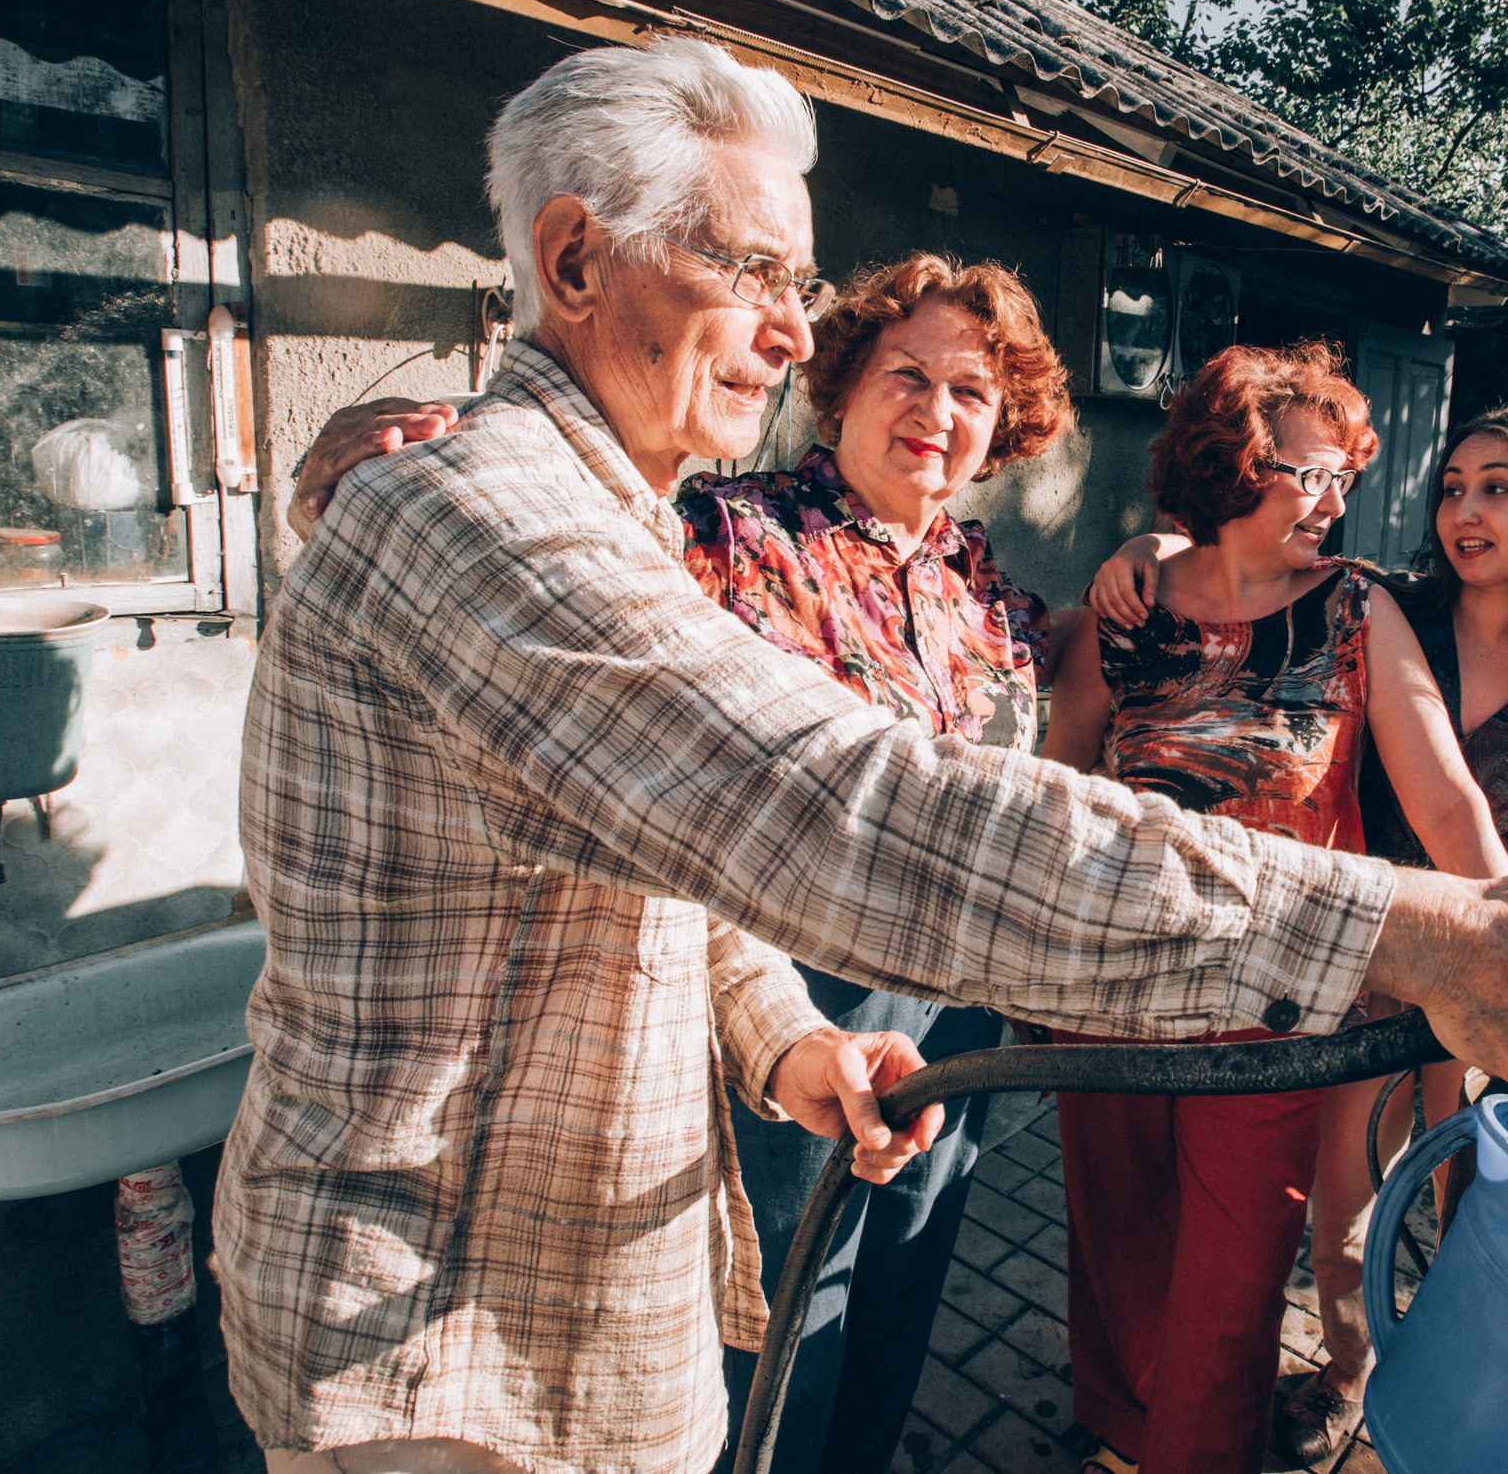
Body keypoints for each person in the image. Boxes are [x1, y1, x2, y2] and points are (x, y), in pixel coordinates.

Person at [230, 35, 1508, 1474]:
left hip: (708, 1194)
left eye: (802, 286)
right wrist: (1413, 932)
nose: (790, 329)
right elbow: (840, 806)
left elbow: (661, 848)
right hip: (434, 1339)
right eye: (750, 271)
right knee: (814, 1342)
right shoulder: (508, 518)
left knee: (889, 1311)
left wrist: (778, 1036)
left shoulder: (918, 567)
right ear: (572, 262)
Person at [295, 250, 1078, 1474]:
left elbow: (1047, 696)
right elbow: (542, 554)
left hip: (959, 994)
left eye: (970, 391)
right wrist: (374, 469)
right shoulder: (722, 529)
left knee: (898, 1283)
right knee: (779, 1315)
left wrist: (1159, 568)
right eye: (908, 375)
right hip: (795, 985)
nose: (936, 411)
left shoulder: (977, 582)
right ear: (843, 385)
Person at [1088, 403, 1508, 1462]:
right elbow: (1243, 549)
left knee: (1477, 1217)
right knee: (1341, 1216)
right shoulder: (1388, 607)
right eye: (1452, 488)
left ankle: (1456, 1411)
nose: (1464, 511)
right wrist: (1146, 548)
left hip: (1497, 978)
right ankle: (1348, 1373)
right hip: (1366, 968)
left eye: (1497, 488)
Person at [1037, 345, 1508, 1474]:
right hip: (1104, 997)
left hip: (1275, 1014)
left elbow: (1447, 799)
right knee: (1119, 1253)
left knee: (1231, 1289)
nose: (1338, 501)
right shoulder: (1123, 613)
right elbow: (1051, 790)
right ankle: (1122, 1437)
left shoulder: (1355, 609)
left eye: (1347, 476)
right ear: (1235, 464)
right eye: (1314, 474)